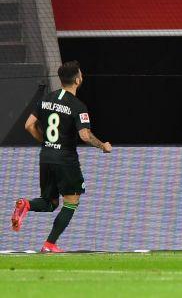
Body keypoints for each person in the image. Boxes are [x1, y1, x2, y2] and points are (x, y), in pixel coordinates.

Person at [11, 61, 112, 252]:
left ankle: (25, 204)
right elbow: (84, 135)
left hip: (46, 156)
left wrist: (46, 141)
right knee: (71, 201)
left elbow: (28, 125)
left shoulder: (46, 99)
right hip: (65, 159)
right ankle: (50, 244)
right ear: (77, 79)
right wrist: (102, 146)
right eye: (81, 74)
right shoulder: (78, 106)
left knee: (50, 203)